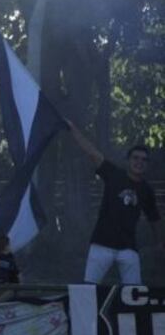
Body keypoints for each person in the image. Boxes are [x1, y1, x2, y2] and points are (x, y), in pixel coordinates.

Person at [68, 122, 163, 284]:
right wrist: (72, 128)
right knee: (88, 289)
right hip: (102, 244)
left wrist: (161, 242)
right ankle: (84, 310)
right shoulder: (114, 174)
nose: (139, 162)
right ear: (128, 160)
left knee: (135, 293)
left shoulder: (147, 190)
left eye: (144, 160)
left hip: (128, 248)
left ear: (147, 164)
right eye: (136, 158)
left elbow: (154, 219)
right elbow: (92, 153)